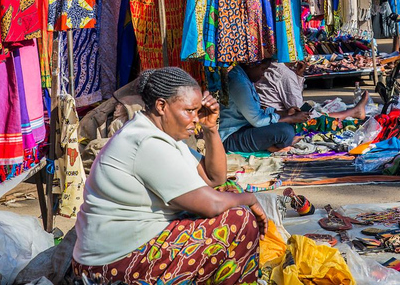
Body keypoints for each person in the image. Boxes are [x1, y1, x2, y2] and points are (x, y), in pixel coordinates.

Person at [72, 67, 266, 285]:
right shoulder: (146, 142)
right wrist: (250, 198)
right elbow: (210, 204)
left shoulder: (160, 135)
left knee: (230, 192)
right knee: (239, 219)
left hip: (118, 255)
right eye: (189, 111)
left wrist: (211, 129)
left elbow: (215, 178)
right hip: (111, 266)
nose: (195, 119)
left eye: (197, 110)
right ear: (161, 106)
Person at [219, 59, 309, 153]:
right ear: (251, 66)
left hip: (244, 128)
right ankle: (272, 146)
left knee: (286, 128)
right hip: (230, 137)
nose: (263, 74)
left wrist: (284, 113)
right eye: (262, 69)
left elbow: (256, 112)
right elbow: (257, 120)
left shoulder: (242, 78)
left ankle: (270, 145)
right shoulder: (239, 83)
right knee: (285, 131)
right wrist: (289, 118)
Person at [254, 60, 369, 119]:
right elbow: (298, 107)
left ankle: (350, 112)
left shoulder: (278, 69)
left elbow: (294, 99)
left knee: (313, 112)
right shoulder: (282, 72)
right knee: (314, 117)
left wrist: (298, 76)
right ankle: (351, 113)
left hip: (273, 114)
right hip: (277, 118)